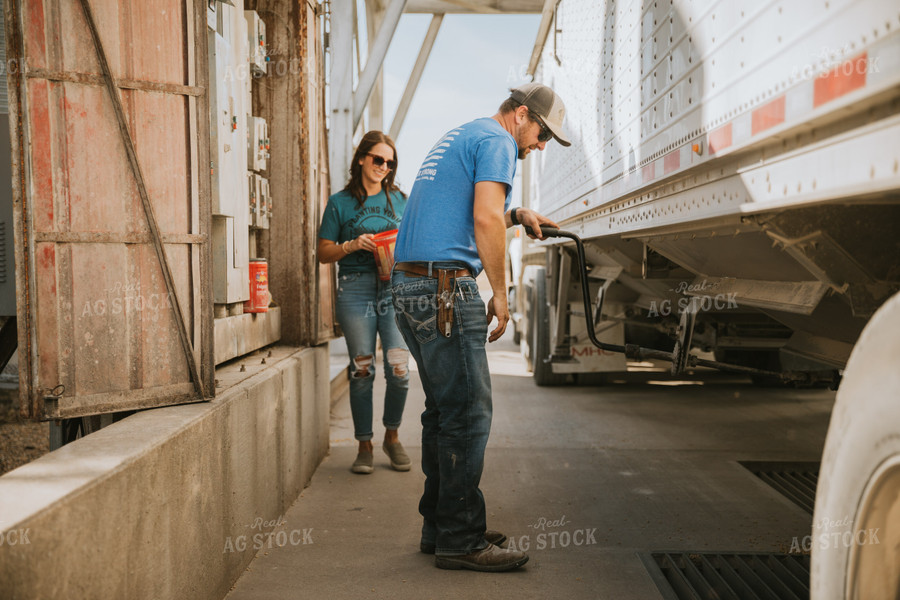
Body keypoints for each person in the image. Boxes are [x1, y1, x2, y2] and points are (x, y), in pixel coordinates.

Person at [390, 83, 570, 572]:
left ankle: (442, 524)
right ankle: (461, 539)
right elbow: (483, 218)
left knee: (444, 413)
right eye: (542, 134)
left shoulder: (463, 134)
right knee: (469, 416)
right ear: (521, 115)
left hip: (411, 286)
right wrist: (501, 293)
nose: (540, 146)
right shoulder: (497, 142)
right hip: (444, 290)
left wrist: (517, 215)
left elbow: (467, 215)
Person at [318, 130, 411, 475]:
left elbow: (416, 240)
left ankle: (392, 436)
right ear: (361, 159)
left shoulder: (401, 200)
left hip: (394, 289)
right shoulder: (339, 203)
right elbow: (322, 252)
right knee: (362, 369)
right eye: (378, 159)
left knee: (399, 368)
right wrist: (352, 245)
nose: (384, 166)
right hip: (355, 288)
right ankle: (365, 444)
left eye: (390, 162)